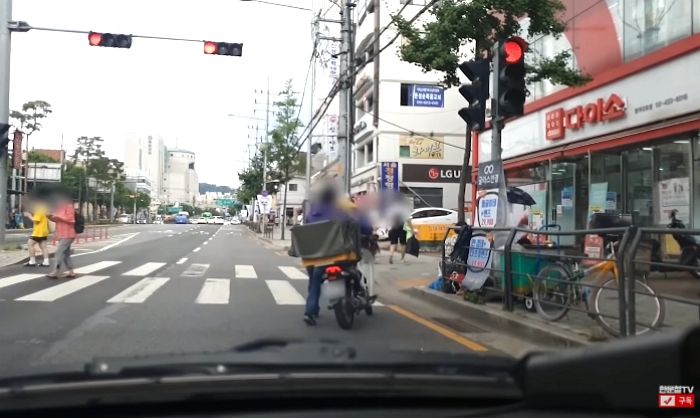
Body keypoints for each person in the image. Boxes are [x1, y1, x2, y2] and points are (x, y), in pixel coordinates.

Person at [301, 186, 371, 326]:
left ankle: (310, 312)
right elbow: (363, 226)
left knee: (314, 283)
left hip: (316, 258)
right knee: (354, 271)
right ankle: (357, 294)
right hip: (340, 256)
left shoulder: (311, 213)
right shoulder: (342, 211)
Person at [46, 195, 76, 279]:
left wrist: (58, 216)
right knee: (66, 254)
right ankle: (71, 272)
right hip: (61, 234)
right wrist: (49, 216)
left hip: (68, 234)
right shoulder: (58, 208)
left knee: (59, 252)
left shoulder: (69, 207)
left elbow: (71, 220)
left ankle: (55, 271)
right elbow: (56, 220)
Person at [24, 199, 50, 267]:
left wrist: (29, 215)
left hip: (39, 231)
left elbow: (36, 221)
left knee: (30, 244)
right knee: (43, 246)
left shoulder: (39, 210)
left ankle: (32, 261)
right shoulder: (44, 209)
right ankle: (46, 261)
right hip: (44, 230)